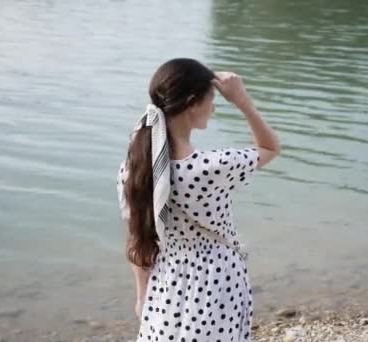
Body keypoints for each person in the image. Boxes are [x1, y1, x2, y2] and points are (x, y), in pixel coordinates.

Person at [116, 58, 280, 341]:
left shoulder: (134, 168)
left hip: (165, 279)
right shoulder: (211, 167)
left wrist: (142, 295)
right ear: (192, 103)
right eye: (211, 99)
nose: (213, 108)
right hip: (216, 282)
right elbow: (269, 147)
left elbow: (136, 235)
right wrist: (242, 101)